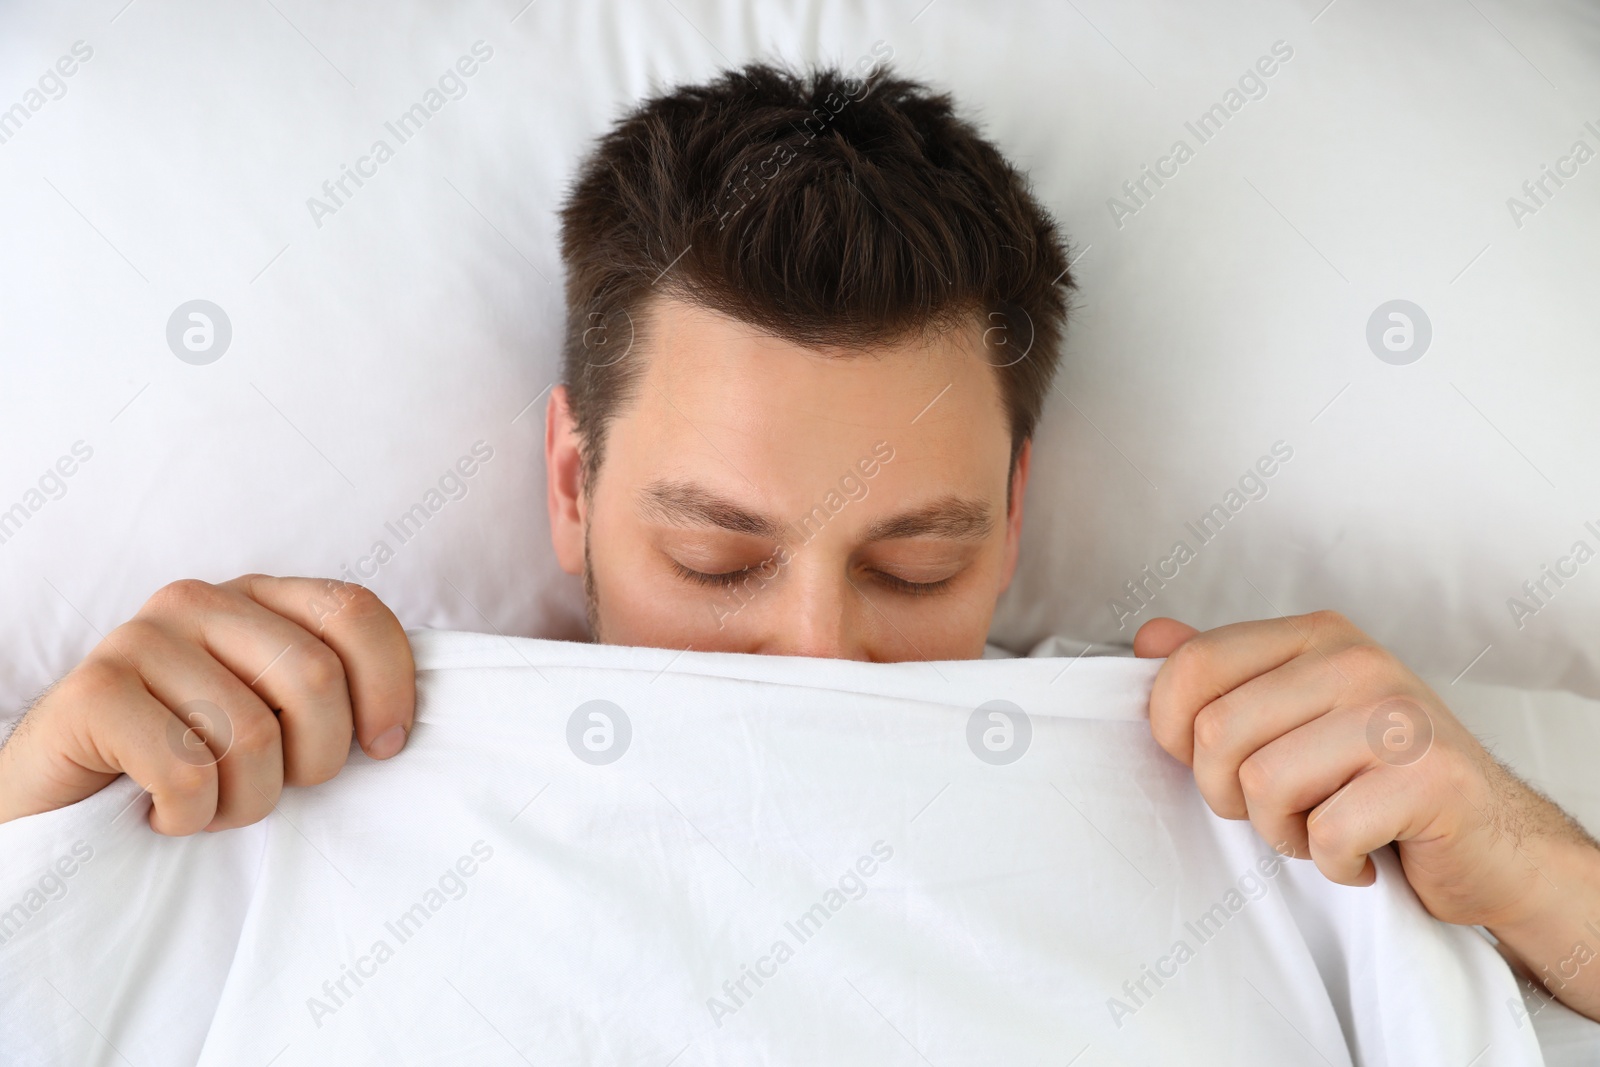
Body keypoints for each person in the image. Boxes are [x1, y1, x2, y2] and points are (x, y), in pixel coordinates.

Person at [3, 61, 1597, 1021]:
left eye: (918, 565)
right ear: (572, 483)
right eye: (714, 562)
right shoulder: (296, 770)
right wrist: (31, 806)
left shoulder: (1259, 807)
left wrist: (1531, 864)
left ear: (1017, 512)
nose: (817, 657)